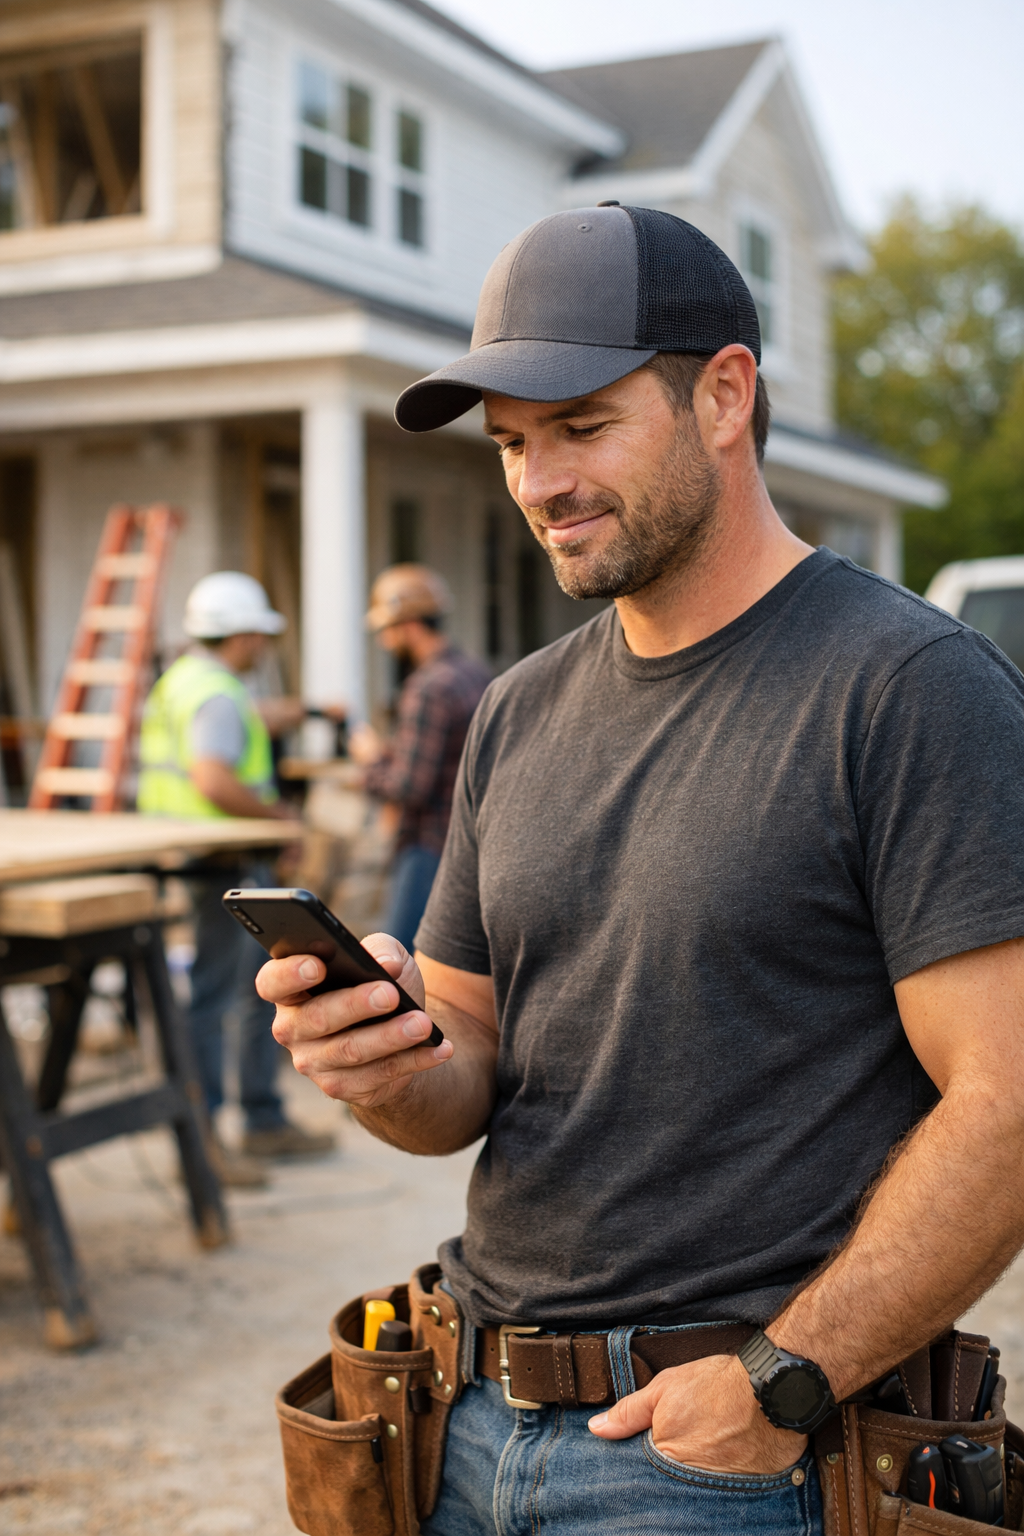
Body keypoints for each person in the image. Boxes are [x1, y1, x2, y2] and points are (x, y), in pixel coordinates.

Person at [257, 206, 1024, 1535]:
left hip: (728, 1464)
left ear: (725, 395)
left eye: (582, 425)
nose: (538, 480)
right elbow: (468, 1069)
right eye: (510, 444)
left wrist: (779, 1384)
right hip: (460, 1416)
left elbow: (1009, 1100)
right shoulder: (516, 710)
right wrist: (376, 1059)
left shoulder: (907, 689)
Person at [139, 571, 334, 1185]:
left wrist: (300, 710)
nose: (264, 647)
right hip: (222, 864)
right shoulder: (218, 693)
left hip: (194, 856)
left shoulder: (186, 680)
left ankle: (259, 1117)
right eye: (259, 635)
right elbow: (214, 778)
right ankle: (210, 1144)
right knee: (222, 996)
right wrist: (283, 819)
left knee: (252, 991)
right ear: (242, 634)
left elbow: (242, 725)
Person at [348, 564, 489, 953]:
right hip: (471, 845)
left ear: (408, 624)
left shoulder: (429, 686)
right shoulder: (474, 674)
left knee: (398, 965)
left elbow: (409, 788)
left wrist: (371, 759)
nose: (383, 640)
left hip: (429, 848)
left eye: (386, 629)